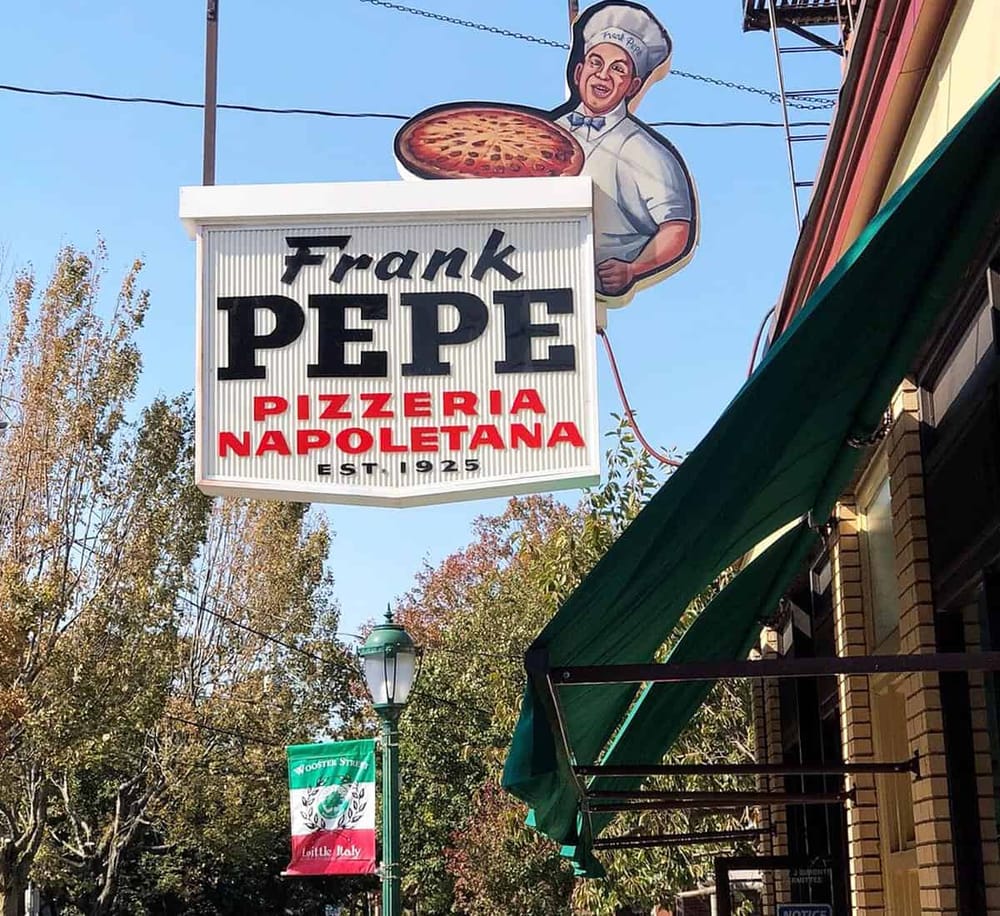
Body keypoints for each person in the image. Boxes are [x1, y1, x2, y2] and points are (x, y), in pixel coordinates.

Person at [551, 1, 697, 304]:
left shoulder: (644, 150)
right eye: (595, 62)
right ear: (578, 71)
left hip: (591, 289)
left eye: (617, 69)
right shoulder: (544, 132)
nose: (602, 75)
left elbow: (678, 228)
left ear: (633, 85)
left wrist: (633, 269)